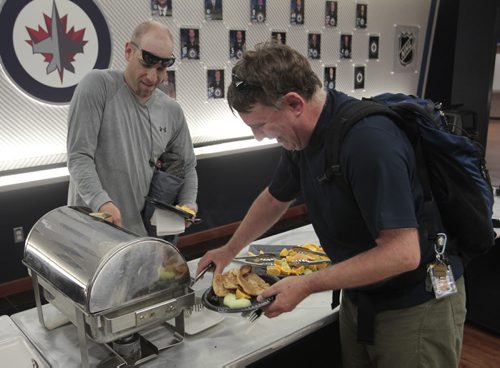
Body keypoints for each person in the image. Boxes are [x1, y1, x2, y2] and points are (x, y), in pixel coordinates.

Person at [196, 42, 466, 368]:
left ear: (294, 102)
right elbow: (273, 198)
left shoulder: (369, 142)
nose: (258, 137)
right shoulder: (302, 140)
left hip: (414, 306)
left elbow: (403, 253)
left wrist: (307, 284)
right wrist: (229, 249)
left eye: (261, 125)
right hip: (361, 296)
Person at [67, 20, 198, 237]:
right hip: (92, 230)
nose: (152, 77)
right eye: (146, 64)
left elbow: (187, 166)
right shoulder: (97, 86)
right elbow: (79, 156)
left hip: (140, 235)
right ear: (129, 51)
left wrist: (188, 204)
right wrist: (102, 202)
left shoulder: (171, 110)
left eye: (161, 69)